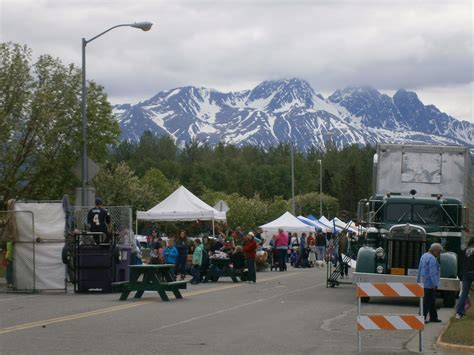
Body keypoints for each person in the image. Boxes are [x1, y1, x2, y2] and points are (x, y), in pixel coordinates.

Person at [417, 243, 443, 323]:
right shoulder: (432, 259)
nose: (439, 254)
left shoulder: (424, 256)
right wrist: (435, 284)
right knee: (426, 302)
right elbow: (433, 273)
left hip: (423, 282)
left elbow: (419, 268)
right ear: (435, 251)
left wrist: (418, 280)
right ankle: (422, 318)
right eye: (439, 252)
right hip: (429, 284)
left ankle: (433, 317)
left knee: (432, 301)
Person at [455, 237, 474, 319]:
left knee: (464, 294)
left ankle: (459, 313)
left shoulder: (465, 250)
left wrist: (460, 275)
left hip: (465, 273)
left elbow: (459, 263)